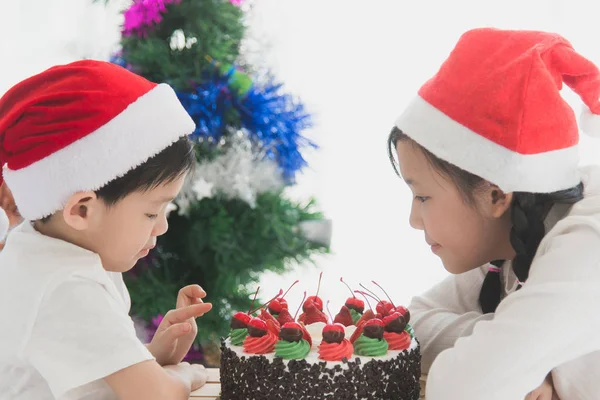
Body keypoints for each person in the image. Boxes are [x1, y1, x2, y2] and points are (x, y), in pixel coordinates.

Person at [390, 28, 600, 400]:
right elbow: (407, 325)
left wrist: (512, 353)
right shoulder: (512, 238)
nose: (413, 219)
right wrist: (515, 346)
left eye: (422, 196)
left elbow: (460, 386)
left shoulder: (588, 244)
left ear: (495, 194)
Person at [0, 60, 213, 400]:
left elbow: (85, 374)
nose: (163, 226)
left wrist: (151, 354)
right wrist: (183, 375)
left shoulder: (44, 251)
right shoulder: (65, 284)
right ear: (82, 210)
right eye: (151, 211)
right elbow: (154, 396)